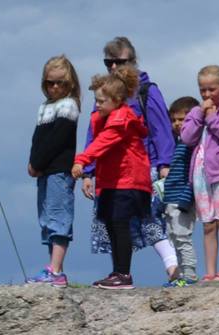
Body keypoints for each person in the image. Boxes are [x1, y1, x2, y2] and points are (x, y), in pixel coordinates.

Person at [81, 37, 179, 282]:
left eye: (120, 61)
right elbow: (95, 134)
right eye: (108, 62)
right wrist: (88, 171)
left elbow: (161, 129)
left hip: (143, 168)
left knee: (149, 221)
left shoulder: (146, 91)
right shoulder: (105, 94)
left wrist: (165, 164)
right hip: (110, 172)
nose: (114, 67)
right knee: (115, 223)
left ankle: (174, 269)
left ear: (133, 61)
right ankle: (120, 272)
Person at [71, 65, 152, 290]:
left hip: (128, 180)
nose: (96, 105)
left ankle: (124, 274)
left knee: (119, 224)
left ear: (117, 100)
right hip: (113, 181)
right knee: (112, 225)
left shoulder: (121, 120)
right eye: (96, 100)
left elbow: (102, 142)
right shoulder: (106, 118)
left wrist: (82, 161)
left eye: (101, 101)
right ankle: (118, 271)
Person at [180, 65, 219, 282]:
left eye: (212, 89)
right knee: (208, 224)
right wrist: (200, 114)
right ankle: (209, 272)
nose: (207, 95)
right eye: (203, 90)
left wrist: (213, 119)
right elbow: (187, 138)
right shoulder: (196, 112)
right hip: (200, 174)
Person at [25, 55, 81, 288]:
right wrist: (33, 162)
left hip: (58, 170)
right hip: (45, 171)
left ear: (70, 84)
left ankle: (56, 270)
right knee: (47, 218)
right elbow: (38, 140)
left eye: (60, 83)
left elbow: (56, 141)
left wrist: (37, 162)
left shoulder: (68, 106)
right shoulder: (45, 107)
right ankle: (53, 267)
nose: (55, 87)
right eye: (50, 83)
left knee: (58, 216)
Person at [161, 96, 201, 287]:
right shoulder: (178, 145)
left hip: (182, 199)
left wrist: (187, 197)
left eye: (182, 120)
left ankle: (190, 274)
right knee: (174, 237)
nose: (177, 124)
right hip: (171, 198)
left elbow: (192, 174)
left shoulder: (191, 145)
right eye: (174, 120)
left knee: (182, 236)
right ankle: (181, 274)